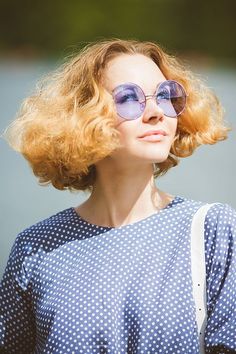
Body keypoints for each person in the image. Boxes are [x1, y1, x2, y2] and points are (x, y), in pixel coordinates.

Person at [0, 39, 235, 354]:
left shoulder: (213, 230)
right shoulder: (36, 248)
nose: (155, 112)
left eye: (165, 95)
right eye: (128, 98)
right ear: (83, 119)